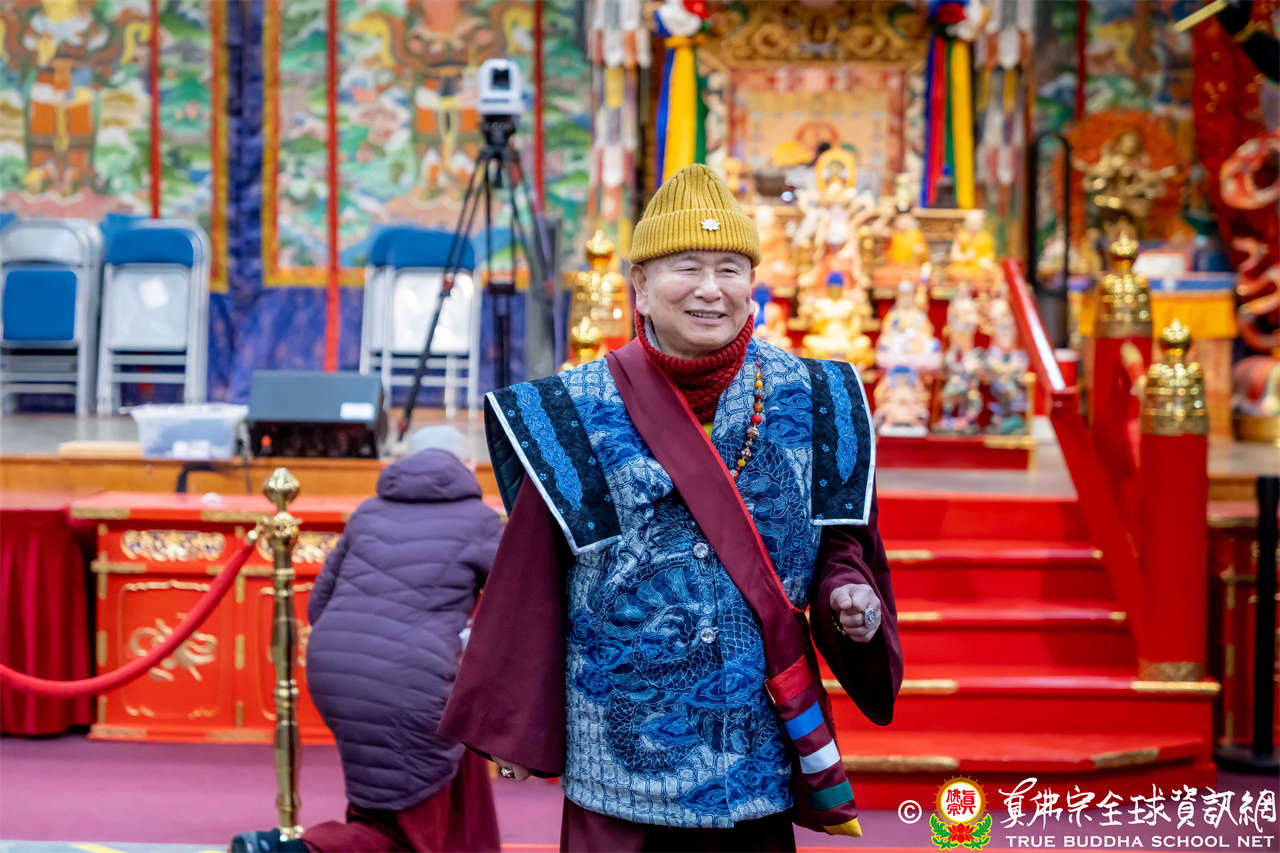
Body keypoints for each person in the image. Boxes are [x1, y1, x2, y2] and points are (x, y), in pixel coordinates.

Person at [441, 164, 902, 852]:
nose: (711, 289)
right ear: (641, 286)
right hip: (617, 760)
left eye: (730, 269)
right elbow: (531, 571)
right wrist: (516, 718)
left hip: (753, 747)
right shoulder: (569, 409)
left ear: (752, 285)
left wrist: (848, 595)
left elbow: (842, 547)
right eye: (687, 267)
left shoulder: (819, 397)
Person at [231, 426, 503, 853]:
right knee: (407, 832)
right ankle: (291, 850)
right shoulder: (481, 520)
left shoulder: (369, 511)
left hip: (338, 671)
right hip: (415, 677)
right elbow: (511, 604)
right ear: (467, 465)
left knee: (388, 793)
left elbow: (318, 604)